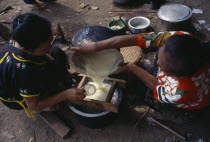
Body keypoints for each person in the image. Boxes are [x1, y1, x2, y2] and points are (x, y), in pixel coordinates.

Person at [71, 31, 210, 123]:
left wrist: (132, 67)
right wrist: (96, 46)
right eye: (160, 51)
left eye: (163, 67)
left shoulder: (180, 91)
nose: (158, 62)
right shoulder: (183, 40)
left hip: (187, 107)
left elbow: (157, 88)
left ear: (175, 76)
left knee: (145, 93)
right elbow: (138, 39)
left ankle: (168, 116)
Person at [0, 13, 85, 119]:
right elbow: (33, 104)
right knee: (56, 102)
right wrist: (65, 95)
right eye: (44, 49)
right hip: (18, 97)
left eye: (50, 42)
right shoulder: (25, 73)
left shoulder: (19, 37)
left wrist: (64, 71)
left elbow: (47, 55)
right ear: (26, 49)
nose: (49, 48)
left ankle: (57, 80)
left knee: (56, 51)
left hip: (26, 71)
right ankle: (45, 104)